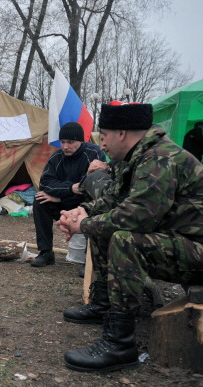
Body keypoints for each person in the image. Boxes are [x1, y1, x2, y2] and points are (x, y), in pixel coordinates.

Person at [57, 101, 203, 373]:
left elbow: (138, 216)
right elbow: (114, 201)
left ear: (121, 133)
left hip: (197, 249)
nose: (101, 144)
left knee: (125, 239)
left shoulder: (161, 158)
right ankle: (103, 305)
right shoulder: (137, 157)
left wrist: (85, 225)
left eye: (104, 135)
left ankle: (120, 344)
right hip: (181, 242)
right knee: (103, 227)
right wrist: (81, 212)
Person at [31, 122, 106, 267]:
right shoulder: (57, 156)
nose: (65, 146)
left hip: (85, 205)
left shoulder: (94, 153)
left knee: (97, 206)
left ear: (81, 141)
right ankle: (46, 252)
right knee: (40, 200)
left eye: (70, 142)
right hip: (65, 202)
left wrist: (59, 195)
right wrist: (70, 189)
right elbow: (45, 183)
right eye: (63, 142)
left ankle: (90, 260)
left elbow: (90, 188)